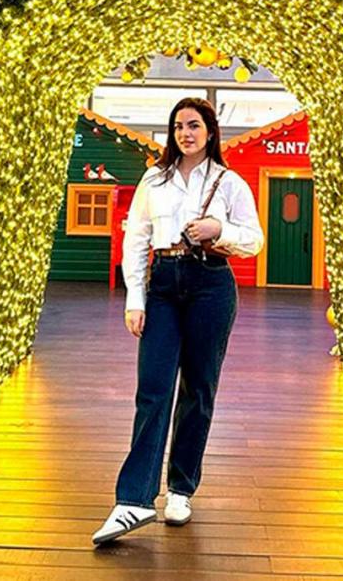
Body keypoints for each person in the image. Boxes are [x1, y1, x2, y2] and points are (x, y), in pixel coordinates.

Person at [92, 98, 264, 545]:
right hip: (163, 284)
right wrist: (135, 298)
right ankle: (133, 500)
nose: (185, 133)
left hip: (212, 285)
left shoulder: (229, 182)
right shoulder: (155, 178)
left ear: (210, 130)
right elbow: (137, 239)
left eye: (193, 125)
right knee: (153, 388)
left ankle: (182, 489)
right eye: (178, 126)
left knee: (199, 390)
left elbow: (254, 240)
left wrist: (219, 232)